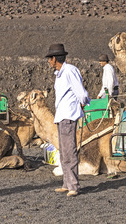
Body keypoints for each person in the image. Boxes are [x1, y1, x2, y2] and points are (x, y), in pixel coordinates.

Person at [46, 43, 90, 197]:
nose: (49, 62)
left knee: (69, 150)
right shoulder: (60, 74)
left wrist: (83, 102)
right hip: (62, 115)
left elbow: (81, 92)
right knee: (64, 151)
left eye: (50, 59)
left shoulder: (70, 71)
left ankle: (73, 186)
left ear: (54, 59)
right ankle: (67, 183)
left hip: (68, 115)